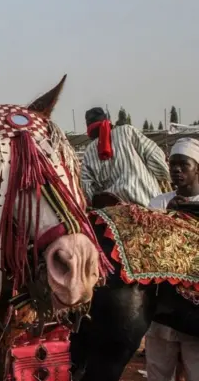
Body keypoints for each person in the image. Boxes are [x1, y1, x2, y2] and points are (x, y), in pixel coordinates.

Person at [146, 137, 199, 381]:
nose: (176, 170)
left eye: (183, 165)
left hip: (195, 311)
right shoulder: (159, 203)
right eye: (172, 165)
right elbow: (147, 248)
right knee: (159, 374)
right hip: (163, 308)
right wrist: (167, 217)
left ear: (197, 168)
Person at [81, 107, 170, 207]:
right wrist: (164, 177)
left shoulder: (88, 152)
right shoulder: (127, 131)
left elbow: (88, 189)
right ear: (107, 120)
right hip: (148, 202)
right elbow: (154, 155)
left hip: (115, 213)